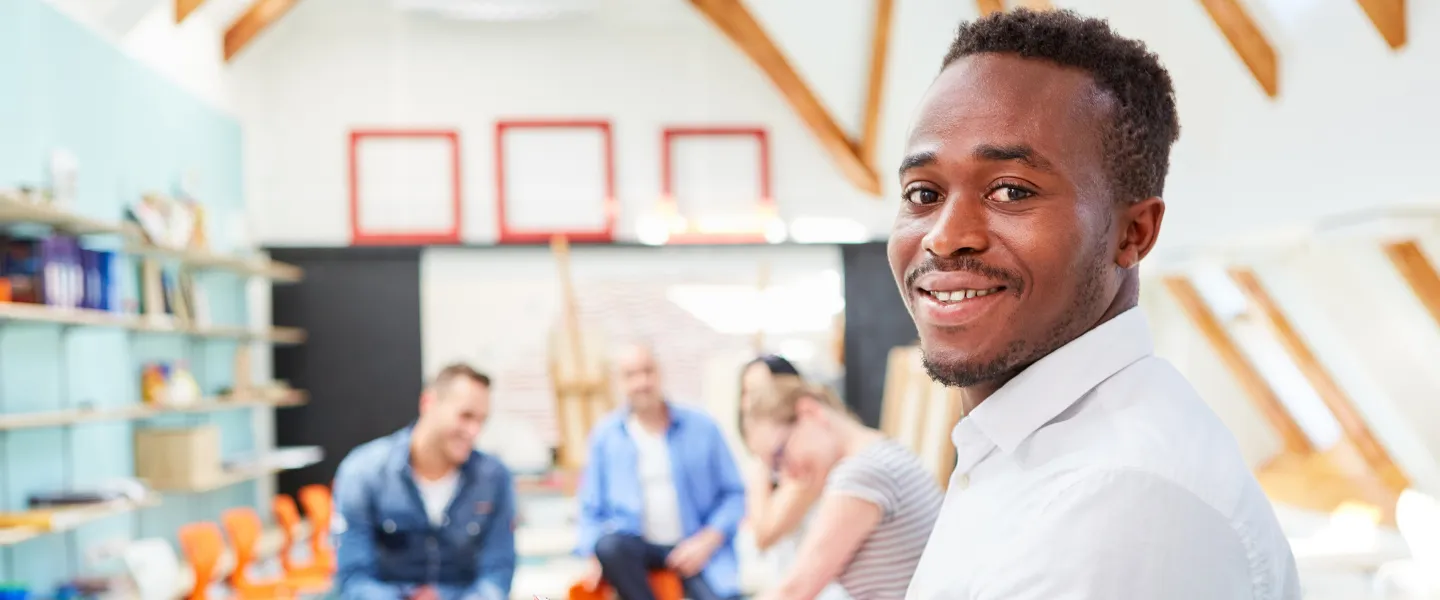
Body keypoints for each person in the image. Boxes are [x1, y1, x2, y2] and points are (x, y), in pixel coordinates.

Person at [892, 9, 1299, 599]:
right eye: (923, 194)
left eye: (1011, 191)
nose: (945, 236)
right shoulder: (1029, 450)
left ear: (1132, 233)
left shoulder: (1120, 501)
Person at [575, 343, 747, 600]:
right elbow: (590, 509)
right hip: (636, 551)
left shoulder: (702, 427)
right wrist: (594, 556)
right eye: (631, 375)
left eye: (648, 371)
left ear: (660, 374)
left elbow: (735, 495)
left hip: (694, 548)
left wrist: (707, 541)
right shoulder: (605, 436)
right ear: (619, 382)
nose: (642, 382)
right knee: (609, 547)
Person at [332, 364, 516, 600]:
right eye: (466, 416)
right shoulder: (363, 473)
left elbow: (497, 574)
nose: (474, 431)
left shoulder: (494, 479)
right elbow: (353, 578)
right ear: (428, 403)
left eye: (482, 421)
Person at [742, 384, 941, 600]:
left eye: (780, 454)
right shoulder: (879, 451)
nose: (788, 474)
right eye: (775, 469)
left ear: (809, 412)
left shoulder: (862, 474)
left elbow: (795, 590)